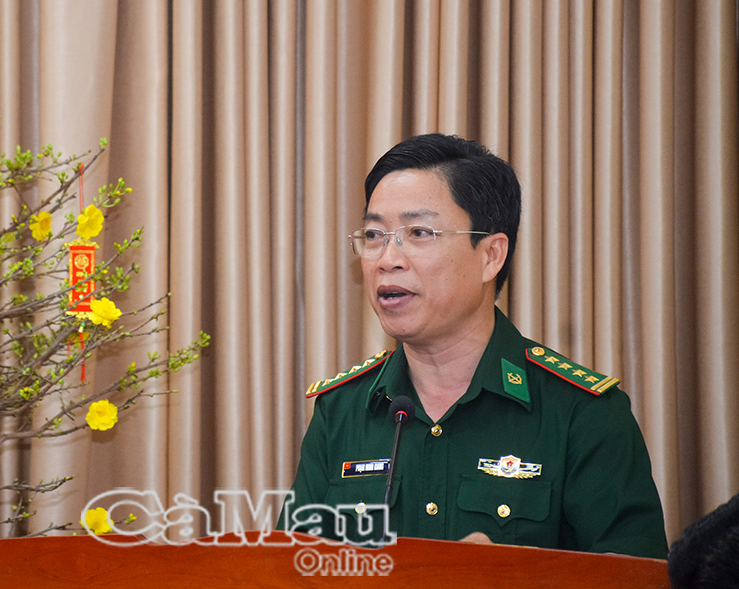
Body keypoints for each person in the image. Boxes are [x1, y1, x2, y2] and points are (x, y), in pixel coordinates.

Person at [280, 133, 667, 558]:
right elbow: (287, 570)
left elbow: (638, 577)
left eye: (419, 232)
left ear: (491, 256)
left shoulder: (582, 413)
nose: (387, 259)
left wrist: (506, 580)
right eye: (374, 235)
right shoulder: (341, 411)